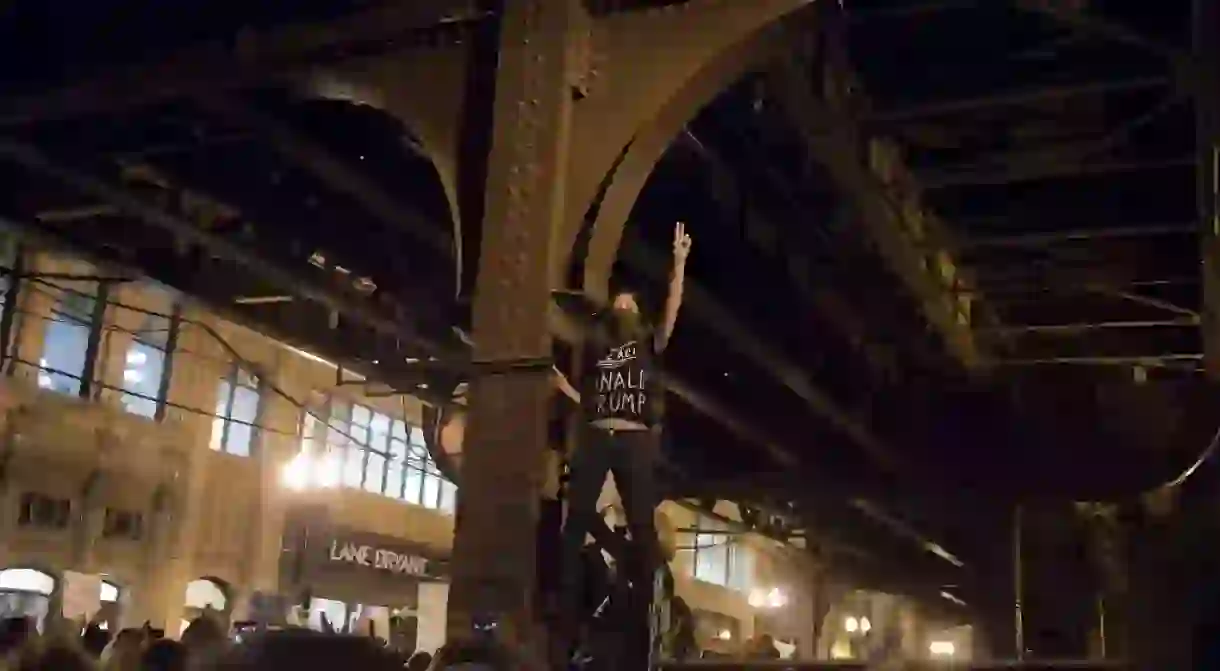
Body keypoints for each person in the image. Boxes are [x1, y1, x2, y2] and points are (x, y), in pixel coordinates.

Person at [554, 221, 691, 657]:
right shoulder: (598, 343)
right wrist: (566, 390)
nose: (624, 304)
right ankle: (565, 608)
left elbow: (671, 311)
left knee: (641, 527)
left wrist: (679, 265)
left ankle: (648, 608)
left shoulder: (649, 341)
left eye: (630, 301)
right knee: (575, 521)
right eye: (619, 300)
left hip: (631, 438)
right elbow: (596, 398)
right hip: (601, 432)